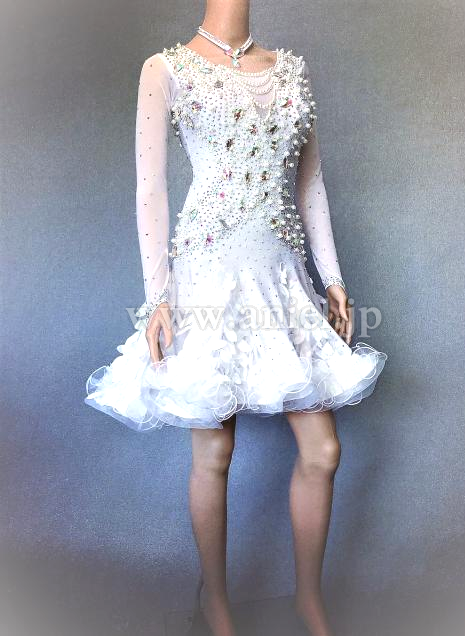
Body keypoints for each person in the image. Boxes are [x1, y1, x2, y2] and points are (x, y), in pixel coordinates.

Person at [84, 2, 387, 634]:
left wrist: (333, 280)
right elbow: (150, 189)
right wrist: (158, 296)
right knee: (215, 447)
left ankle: (308, 599)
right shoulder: (166, 69)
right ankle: (216, 603)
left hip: (281, 279)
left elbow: (309, 185)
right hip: (209, 275)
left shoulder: (291, 71)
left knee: (323, 449)